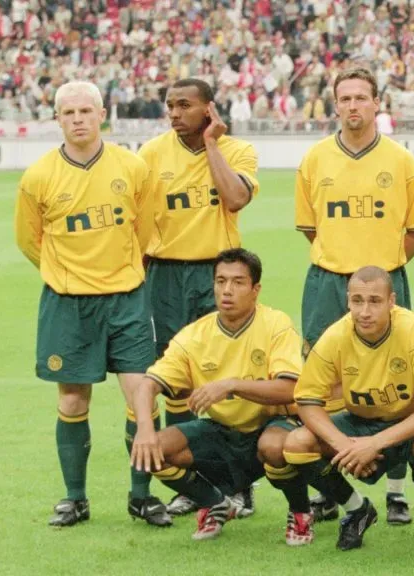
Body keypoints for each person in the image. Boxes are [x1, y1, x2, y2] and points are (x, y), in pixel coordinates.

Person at [14, 80, 170, 528]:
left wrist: (120, 269)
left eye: (86, 111)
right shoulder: (38, 177)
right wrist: (67, 273)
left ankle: (141, 496)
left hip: (127, 299)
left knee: (142, 396)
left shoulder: (132, 167)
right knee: (71, 401)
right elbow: (29, 240)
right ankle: (75, 498)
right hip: (69, 304)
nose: (78, 119)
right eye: (69, 113)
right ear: (57, 119)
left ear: (102, 114)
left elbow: (144, 228)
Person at [295, 67, 414, 525]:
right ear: (335, 104)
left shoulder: (401, 161)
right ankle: (336, 489)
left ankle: (395, 490)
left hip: (384, 280)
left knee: (397, 378)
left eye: (361, 97)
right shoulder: (315, 159)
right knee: (324, 381)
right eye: (345, 98)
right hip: (327, 280)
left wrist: (381, 268)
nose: (353, 105)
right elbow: (312, 227)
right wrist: (343, 260)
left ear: (377, 103)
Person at [138, 77, 261, 518]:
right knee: (176, 376)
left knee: (228, 375)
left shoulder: (237, 151)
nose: (174, 113)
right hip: (166, 273)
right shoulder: (151, 154)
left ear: (209, 109)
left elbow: (235, 198)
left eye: (185, 105)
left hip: (217, 271)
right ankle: (194, 482)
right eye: (170, 105)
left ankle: (240, 483)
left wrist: (211, 144)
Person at [129, 249, 313, 543]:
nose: (227, 290)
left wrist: (231, 385)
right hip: (221, 432)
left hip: (271, 426)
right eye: (220, 281)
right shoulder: (194, 335)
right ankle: (215, 503)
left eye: (238, 282)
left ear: (255, 290)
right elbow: (146, 386)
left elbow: (290, 389)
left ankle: (301, 513)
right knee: (152, 453)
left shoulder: (275, 324)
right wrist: (145, 430)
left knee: (275, 447)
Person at [282, 266, 414, 553]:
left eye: (375, 301)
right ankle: (357, 510)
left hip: (413, 422)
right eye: (357, 301)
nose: (364, 311)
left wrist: (374, 443)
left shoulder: (413, 330)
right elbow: (307, 401)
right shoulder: (336, 335)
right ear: (348, 301)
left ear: (391, 302)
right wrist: (345, 446)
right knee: (297, 443)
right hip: (361, 422)